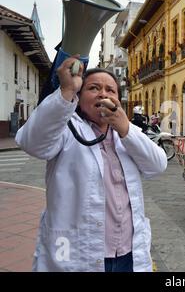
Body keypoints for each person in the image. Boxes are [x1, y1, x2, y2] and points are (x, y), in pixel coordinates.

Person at [15, 57, 168, 272]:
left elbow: (158, 165)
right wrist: (66, 91)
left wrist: (125, 128)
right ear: (79, 97)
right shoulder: (66, 128)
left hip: (127, 254)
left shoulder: (125, 134)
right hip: (75, 252)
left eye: (110, 90)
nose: (103, 94)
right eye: (93, 88)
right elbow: (32, 143)